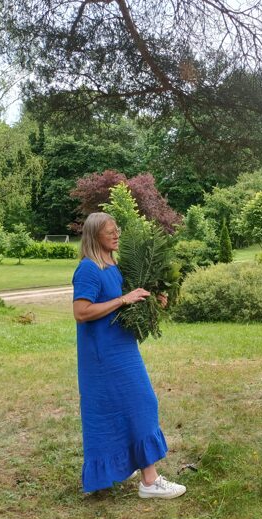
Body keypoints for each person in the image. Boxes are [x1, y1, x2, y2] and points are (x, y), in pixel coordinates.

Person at [72, 212, 186, 499]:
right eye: (109, 231)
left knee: (121, 409)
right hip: (103, 354)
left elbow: (128, 305)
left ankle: (122, 467)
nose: (116, 234)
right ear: (94, 235)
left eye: (117, 229)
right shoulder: (88, 269)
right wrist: (123, 299)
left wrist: (152, 301)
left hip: (122, 346)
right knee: (141, 403)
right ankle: (150, 481)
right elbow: (81, 312)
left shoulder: (114, 265)